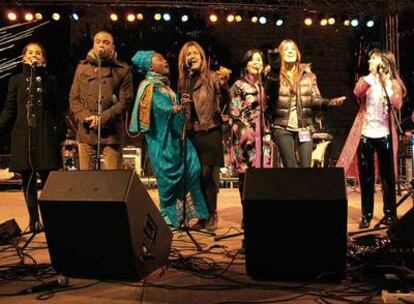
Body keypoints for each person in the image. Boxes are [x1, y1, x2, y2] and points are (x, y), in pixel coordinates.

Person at [129, 50, 209, 228]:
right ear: (150, 66)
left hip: (177, 137)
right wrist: (176, 108)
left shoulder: (164, 85)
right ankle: (169, 217)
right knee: (167, 179)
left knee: (193, 167)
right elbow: (158, 109)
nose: (165, 61)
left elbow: (171, 107)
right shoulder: (149, 86)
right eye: (159, 59)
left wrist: (181, 105)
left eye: (164, 57)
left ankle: (191, 214)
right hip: (162, 140)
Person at [0, 42, 67, 232]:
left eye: (38, 53)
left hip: (46, 136)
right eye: (30, 52)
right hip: (24, 136)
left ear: (43, 59)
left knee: (48, 181)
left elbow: (57, 111)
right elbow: (10, 109)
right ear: (23, 57)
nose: (34, 55)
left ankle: (50, 220)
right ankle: (34, 220)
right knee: (27, 180)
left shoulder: (51, 81)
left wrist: (60, 134)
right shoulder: (16, 80)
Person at [337, 49, 406, 229]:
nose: (369, 61)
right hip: (367, 133)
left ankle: (390, 214)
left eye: (373, 59)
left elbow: (397, 104)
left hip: (385, 134)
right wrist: (372, 76)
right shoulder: (366, 80)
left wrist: (387, 85)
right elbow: (357, 92)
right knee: (366, 177)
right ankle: (366, 215)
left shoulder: (393, 83)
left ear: (384, 62)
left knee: (387, 176)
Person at [266, 39, 345, 168]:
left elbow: (315, 100)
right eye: (286, 49)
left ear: (298, 54)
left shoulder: (309, 76)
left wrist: (330, 103)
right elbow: (270, 92)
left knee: (306, 168)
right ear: (280, 54)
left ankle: (303, 188)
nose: (290, 51)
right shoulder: (273, 75)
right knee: (291, 167)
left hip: (304, 127)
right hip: (282, 127)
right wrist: (275, 71)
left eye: (293, 49)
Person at [177, 41, 230, 232]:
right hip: (192, 133)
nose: (192, 56)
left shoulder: (214, 77)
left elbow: (226, 98)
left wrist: (224, 85)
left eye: (195, 53)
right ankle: (202, 215)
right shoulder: (184, 80)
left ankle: (212, 213)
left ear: (202, 57)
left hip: (211, 130)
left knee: (208, 175)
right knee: (196, 177)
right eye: (188, 54)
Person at [70, 30, 133, 170]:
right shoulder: (82, 67)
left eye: (106, 42)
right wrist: (86, 118)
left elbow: (125, 101)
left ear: (113, 47)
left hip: (111, 131)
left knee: (113, 180)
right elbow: (74, 98)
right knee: (87, 180)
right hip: (86, 131)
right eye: (97, 41)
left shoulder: (123, 70)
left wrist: (101, 118)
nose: (101, 45)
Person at [229, 49, 266, 202]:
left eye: (260, 60)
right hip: (242, 136)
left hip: (263, 136)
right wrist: (243, 130)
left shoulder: (266, 85)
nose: (257, 62)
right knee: (244, 174)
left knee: (262, 175)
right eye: (253, 59)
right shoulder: (238, 85)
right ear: (246, 65)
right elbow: (234, 110)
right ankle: (247, 212)